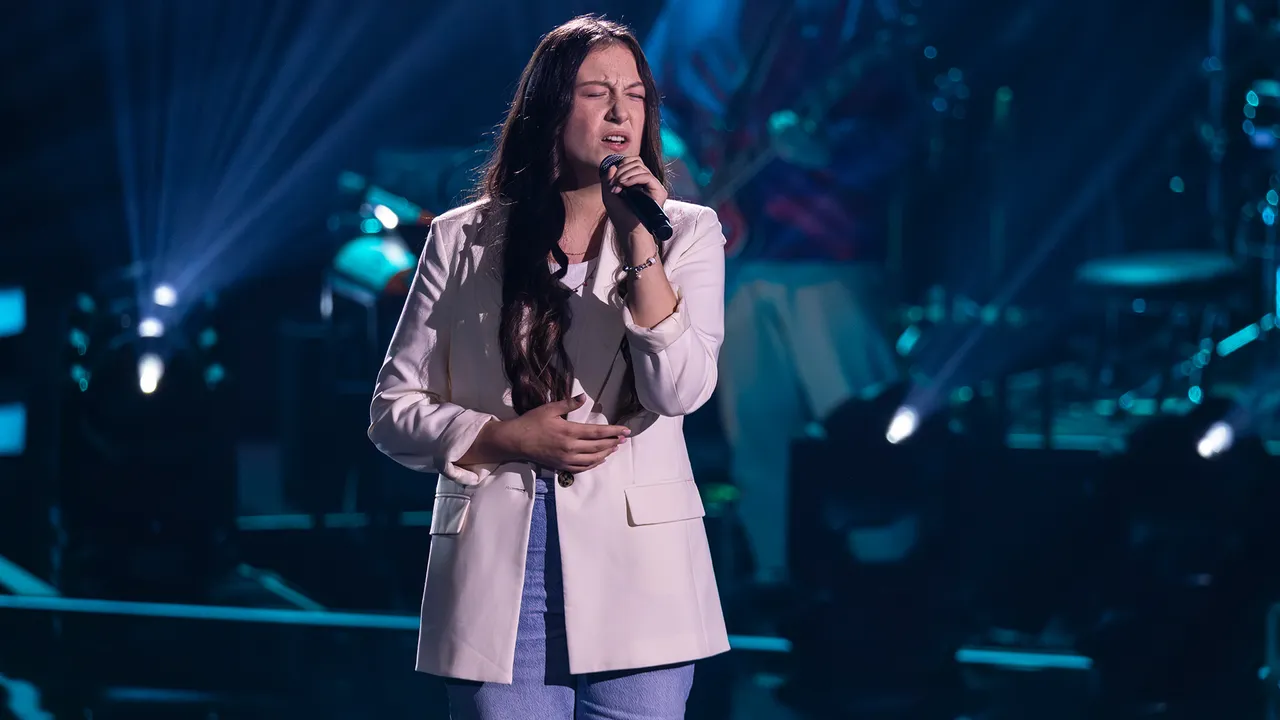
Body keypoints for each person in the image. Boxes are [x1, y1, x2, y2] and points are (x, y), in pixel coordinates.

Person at [367, 15, 730, 720]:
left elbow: (680, 389)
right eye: (596, 93)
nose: (621, 113)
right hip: (500, 565)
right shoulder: (462, 237)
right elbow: (392, 410)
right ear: (550, 106)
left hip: (641, 570)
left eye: (635, 95)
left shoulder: (686, 230)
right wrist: (502, 437)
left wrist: (640, 246)